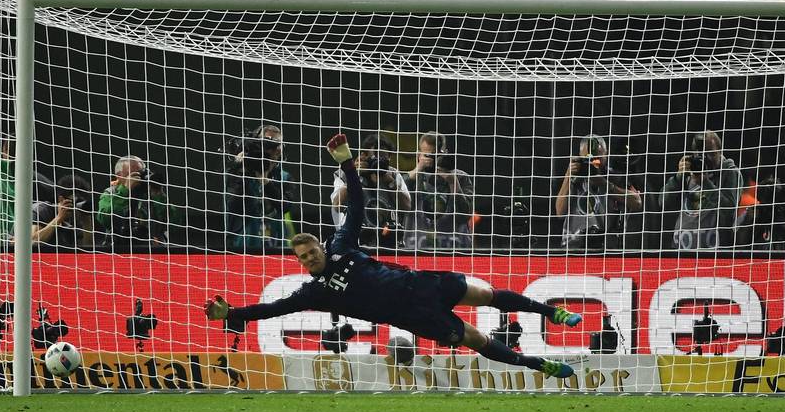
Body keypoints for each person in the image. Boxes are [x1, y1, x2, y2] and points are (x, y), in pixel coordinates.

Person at [205, 134, 579, 380]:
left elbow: (358, 202)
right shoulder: (314, 292)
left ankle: (552, 312)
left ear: (319, 246)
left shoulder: (341, 245)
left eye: (310, 253)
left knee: (487, 294)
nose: (307, 261)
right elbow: (272, 309)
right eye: (301, 259)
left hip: (421, 282)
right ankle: (537, 364)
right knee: (475, 338)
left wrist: (349, 162)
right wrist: (233, 314)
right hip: (414, 315)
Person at [554, 134, 642, 251]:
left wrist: (605, 184)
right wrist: (568, 177)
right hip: (573, 248)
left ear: (606, 154)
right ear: (580, 156)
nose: (594, 162)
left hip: (606, 249)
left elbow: (637, 202)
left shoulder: (616, 177)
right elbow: (559, 212)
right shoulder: (574, 178)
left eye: (597, 158)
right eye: (588, 158)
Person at [659, 131, 744, 249]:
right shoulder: (690, 169)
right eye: (703, 155)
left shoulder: (729, 172)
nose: (708, 159)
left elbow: (728, 211)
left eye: (712, 154)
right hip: (681, 251)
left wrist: (705, 184)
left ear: (720, 152)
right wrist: (678, 177)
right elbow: (663, 203)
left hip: (714, 253)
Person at [225, 124, 299, 253]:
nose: (274, 149)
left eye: (278, 144)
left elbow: (285, 206)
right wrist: (241, 172)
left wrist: (266, 182)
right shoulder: (238, 173)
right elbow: (234, 207)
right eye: (268, 143)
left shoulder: (284, 177)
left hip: (276, 249)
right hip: (240, 250)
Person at [331, 133, 410, 252]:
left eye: (385, 156)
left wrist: (389, 181)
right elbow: (337, 205)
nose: (381, 160)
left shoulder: (393, 174)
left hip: (390, 242)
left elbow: (407, 207)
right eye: (376, 156)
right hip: (354, 242)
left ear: (390, 157)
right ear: (365, 155)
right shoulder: (344, 174)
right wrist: (354, 175)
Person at [405, 131, 475, 250]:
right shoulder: (412, 178)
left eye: (436, 154)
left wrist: (453, 183)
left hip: (455, 248)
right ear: (419, 155)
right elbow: (399, 202)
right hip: (418, 248)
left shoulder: (460, 177)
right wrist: (418, 169)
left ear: (445, 154)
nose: (433, 159)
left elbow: (465, 214)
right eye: (428, 155)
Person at [96, 155, 180, 249]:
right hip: (120, 249)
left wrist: (159, 195)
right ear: (119, 176)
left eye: (142, 172)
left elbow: (175, 223)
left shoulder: (151, 194)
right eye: (134, 173)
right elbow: (105, 219)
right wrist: (125, 190)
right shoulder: (111, 193)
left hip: (153, 250)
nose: (140, 177)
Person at [30, 174, 95, 248]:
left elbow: (87, 250)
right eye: (77, 201)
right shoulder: (41, 210)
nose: (77, 207)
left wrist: (86, 222)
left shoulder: (76, 219)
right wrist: (59, 218)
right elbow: (33, 241)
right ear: (61, 199)